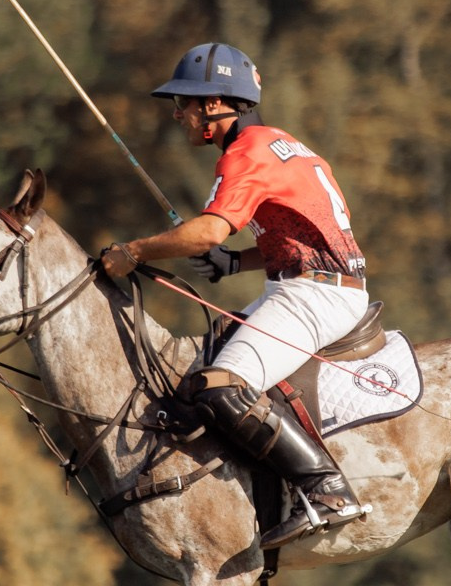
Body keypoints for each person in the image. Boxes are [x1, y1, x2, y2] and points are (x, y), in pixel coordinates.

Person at [99, 42, 371, 549]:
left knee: (221, 386)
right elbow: (308, 238)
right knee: (195, 374)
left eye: (185, 102)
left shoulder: (247, 155)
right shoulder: (284, 144)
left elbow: (206, 232)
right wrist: (235, 262)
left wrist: (135, 251)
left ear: (215, 104)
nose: (178, 113)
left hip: (316, 296)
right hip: (317, 284)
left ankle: (327, 489)